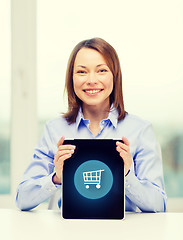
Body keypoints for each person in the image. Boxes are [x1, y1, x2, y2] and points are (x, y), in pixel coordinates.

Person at [16, 37, 167, 212]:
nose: (92, 80)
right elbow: (22, 199)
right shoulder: (55, 129)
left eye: (101, 70)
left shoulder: (140, 130)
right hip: (69, 231)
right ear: (71, 78)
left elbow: (159, 206)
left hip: (123, 232)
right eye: (81, 72)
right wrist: (56, 177)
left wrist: (126, 175)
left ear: (115, 76)